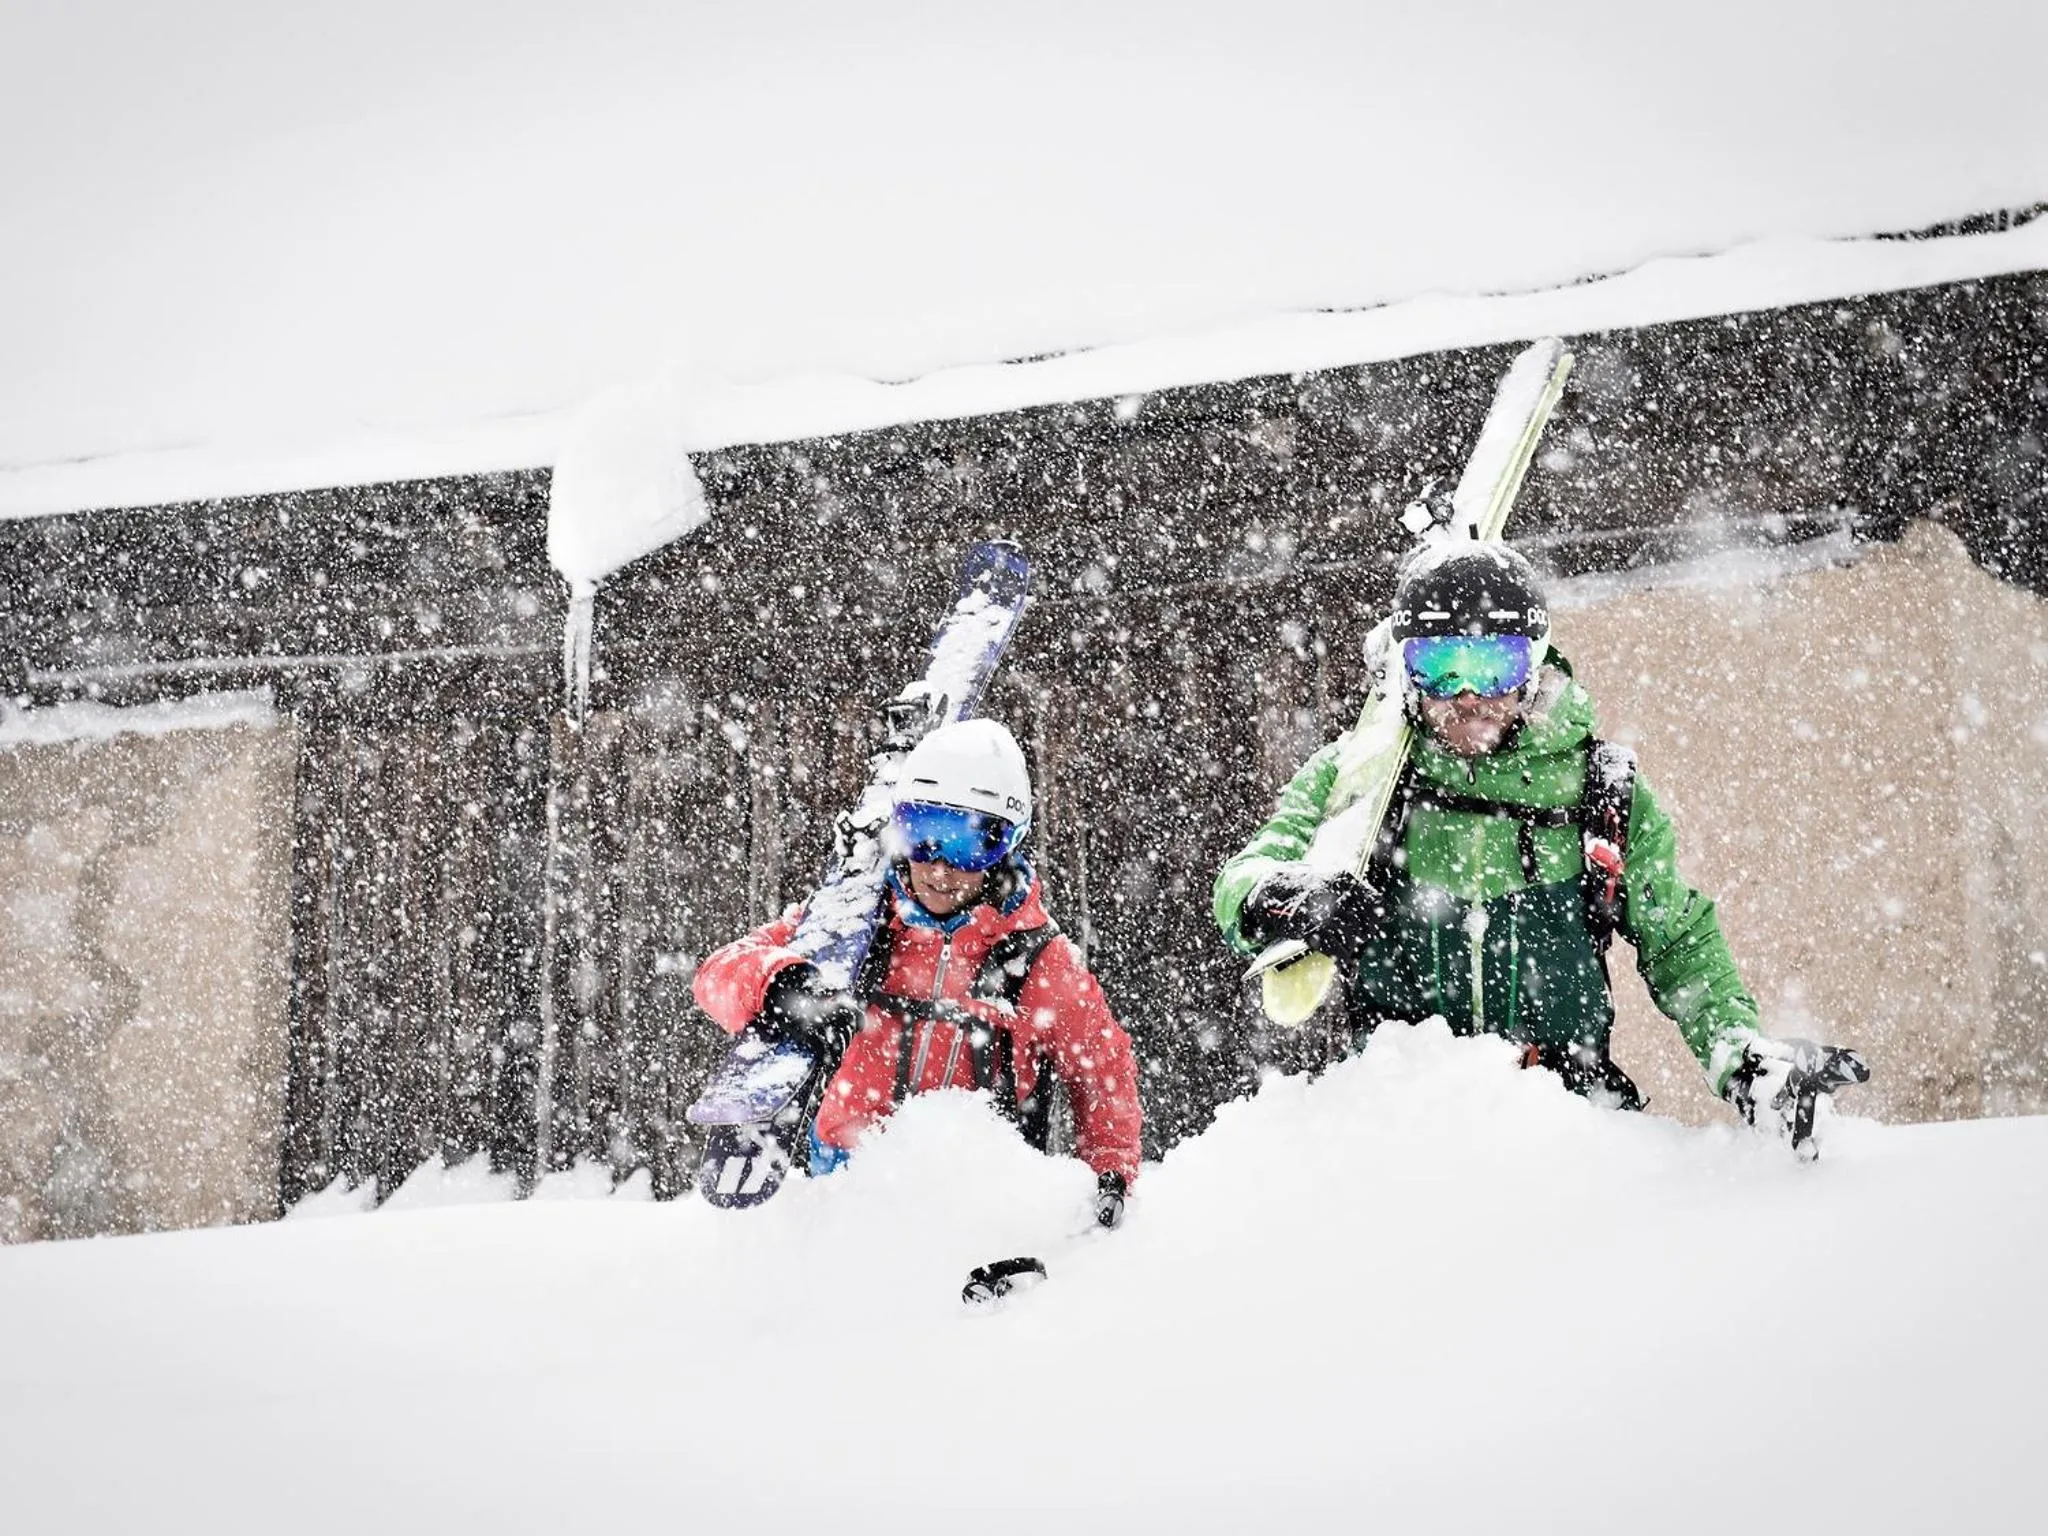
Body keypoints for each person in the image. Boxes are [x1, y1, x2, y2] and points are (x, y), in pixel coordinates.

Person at [1212, 539, 1868, 1153]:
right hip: (1405, 1135)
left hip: (1567, 1133)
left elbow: (1679, 942)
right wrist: (1285, 898)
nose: (1469, 695)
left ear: (1534, 665)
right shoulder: (1360, 780)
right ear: (1406, 673)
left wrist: (1742, 1058)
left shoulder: (1598, 790)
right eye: (1440, 668)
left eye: (1494, 665)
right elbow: (1244, 878)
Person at [693, 718, 1142, 1223]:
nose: (940, 868)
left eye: (968, 846)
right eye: (922, 837)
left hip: (982, 1209)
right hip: (847, 1195)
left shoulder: (1034, 958)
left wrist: (1110, 1170)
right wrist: (782, 984)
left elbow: (1102, 1072)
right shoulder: (855, 925)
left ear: (1005, 849)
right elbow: (717, 973)